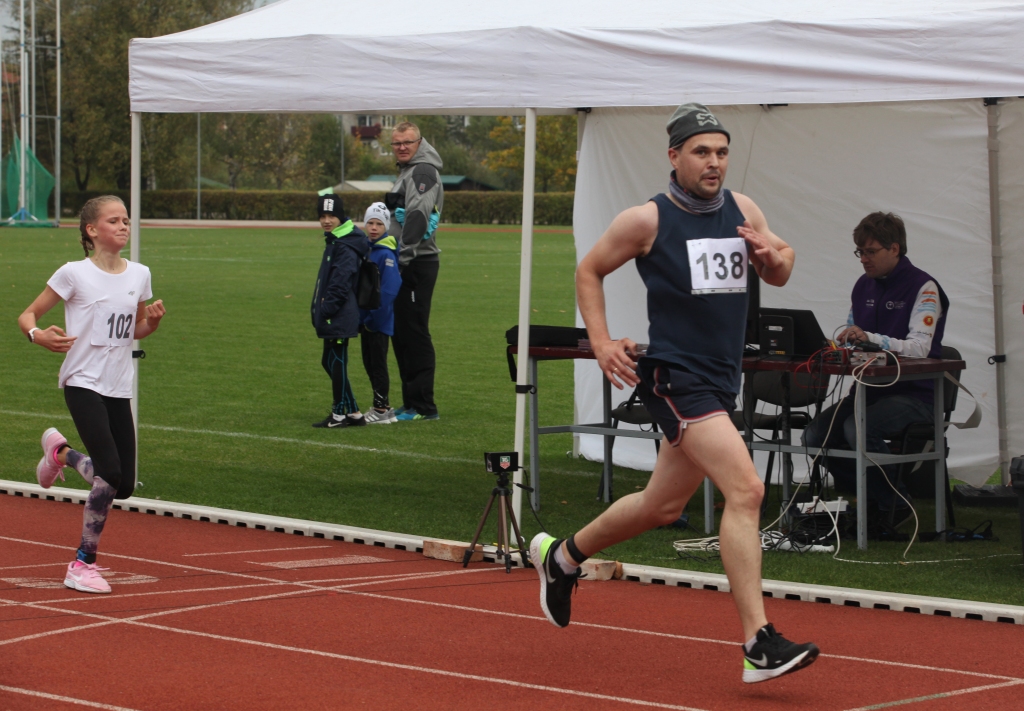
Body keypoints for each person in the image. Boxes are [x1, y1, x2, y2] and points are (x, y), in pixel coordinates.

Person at [529, 103, 819, 684]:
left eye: (721, 152)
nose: (714, 162)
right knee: (747, 488)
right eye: (701, 152)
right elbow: (589, 270)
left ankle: (561, 558)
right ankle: (757, 642)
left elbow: (784, 265)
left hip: (719, 379)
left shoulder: (743, 208)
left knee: (663, 506)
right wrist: (603, 341)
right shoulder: (647, 220)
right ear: (674, 156)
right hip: (676, 378)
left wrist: (771, 257)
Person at [18, 195, 166, 594]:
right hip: (83, 380)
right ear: (91, 230)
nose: (123, 226)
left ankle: (60, 454)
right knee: (110, 473)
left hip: (119, 385)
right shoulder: (73, 274)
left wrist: (150, 323)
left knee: (125, 485)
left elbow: (132, 330)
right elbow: (27, 315)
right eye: (114, 220)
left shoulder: (139, 274)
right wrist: (38, 335)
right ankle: (82, 563)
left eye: (126, 220)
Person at [802, 212, 949, 519]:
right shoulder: (862, 286)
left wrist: (871, 339)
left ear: (894, 249)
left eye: (870, 252)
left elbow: (921, 347)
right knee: (814, 436)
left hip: (916, 394)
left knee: (856, 428)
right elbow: (854, 337)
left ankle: (892, 503)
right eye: (860, 252)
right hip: (869, 390)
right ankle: (878, 497)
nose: (863, 260)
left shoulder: (925, 287)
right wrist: (842, 344)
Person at [386, 121, 443, 421]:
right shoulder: (409, 171)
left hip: (415, 263)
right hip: (405, 261)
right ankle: (410, 403)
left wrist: (402, 260)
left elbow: (419, 218)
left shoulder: (422, 171)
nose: (402, 147)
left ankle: (423, 406)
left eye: (408, 142)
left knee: (415, 333)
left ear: (420, 142)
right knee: (402, 333)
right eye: (397, 143)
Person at [310, 193, 370, 428]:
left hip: (339, 314)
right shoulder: (336, 239)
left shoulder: (345, 244)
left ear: (341, 216)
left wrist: (325, 309)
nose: (326, 220)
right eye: (322, 216)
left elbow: (341, 282)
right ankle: (354, 412)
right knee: (330, 362)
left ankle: (338, 415)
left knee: (335, 361)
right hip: (335, 313)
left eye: (331, 215)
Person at [359, 202, 402, 424]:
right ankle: (382, 407)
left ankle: (382, 409)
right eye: (370, 223)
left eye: (379, 224)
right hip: (367, 320)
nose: (374, 227)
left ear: (386, 226)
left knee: (377, 364)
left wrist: (374, 318)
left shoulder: (386, 254)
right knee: (369, 362)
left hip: (378, 321)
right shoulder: (368, 249)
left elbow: (389, 290)